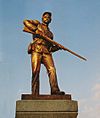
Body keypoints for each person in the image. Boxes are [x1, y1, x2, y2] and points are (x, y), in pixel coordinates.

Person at [23, 12, 65, 95]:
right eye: (45, 17)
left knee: (52, 70)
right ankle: (35, 92)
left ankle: (55, 90)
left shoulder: (50, 34)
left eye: (48, 18)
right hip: (36, 49)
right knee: (36, 71)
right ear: (42, 18)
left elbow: (50, 48)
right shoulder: (37, 24)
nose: (47, 18)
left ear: (50, 20)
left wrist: (58, 48)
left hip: (46, 52)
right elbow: (25, 21)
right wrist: (36, 30)